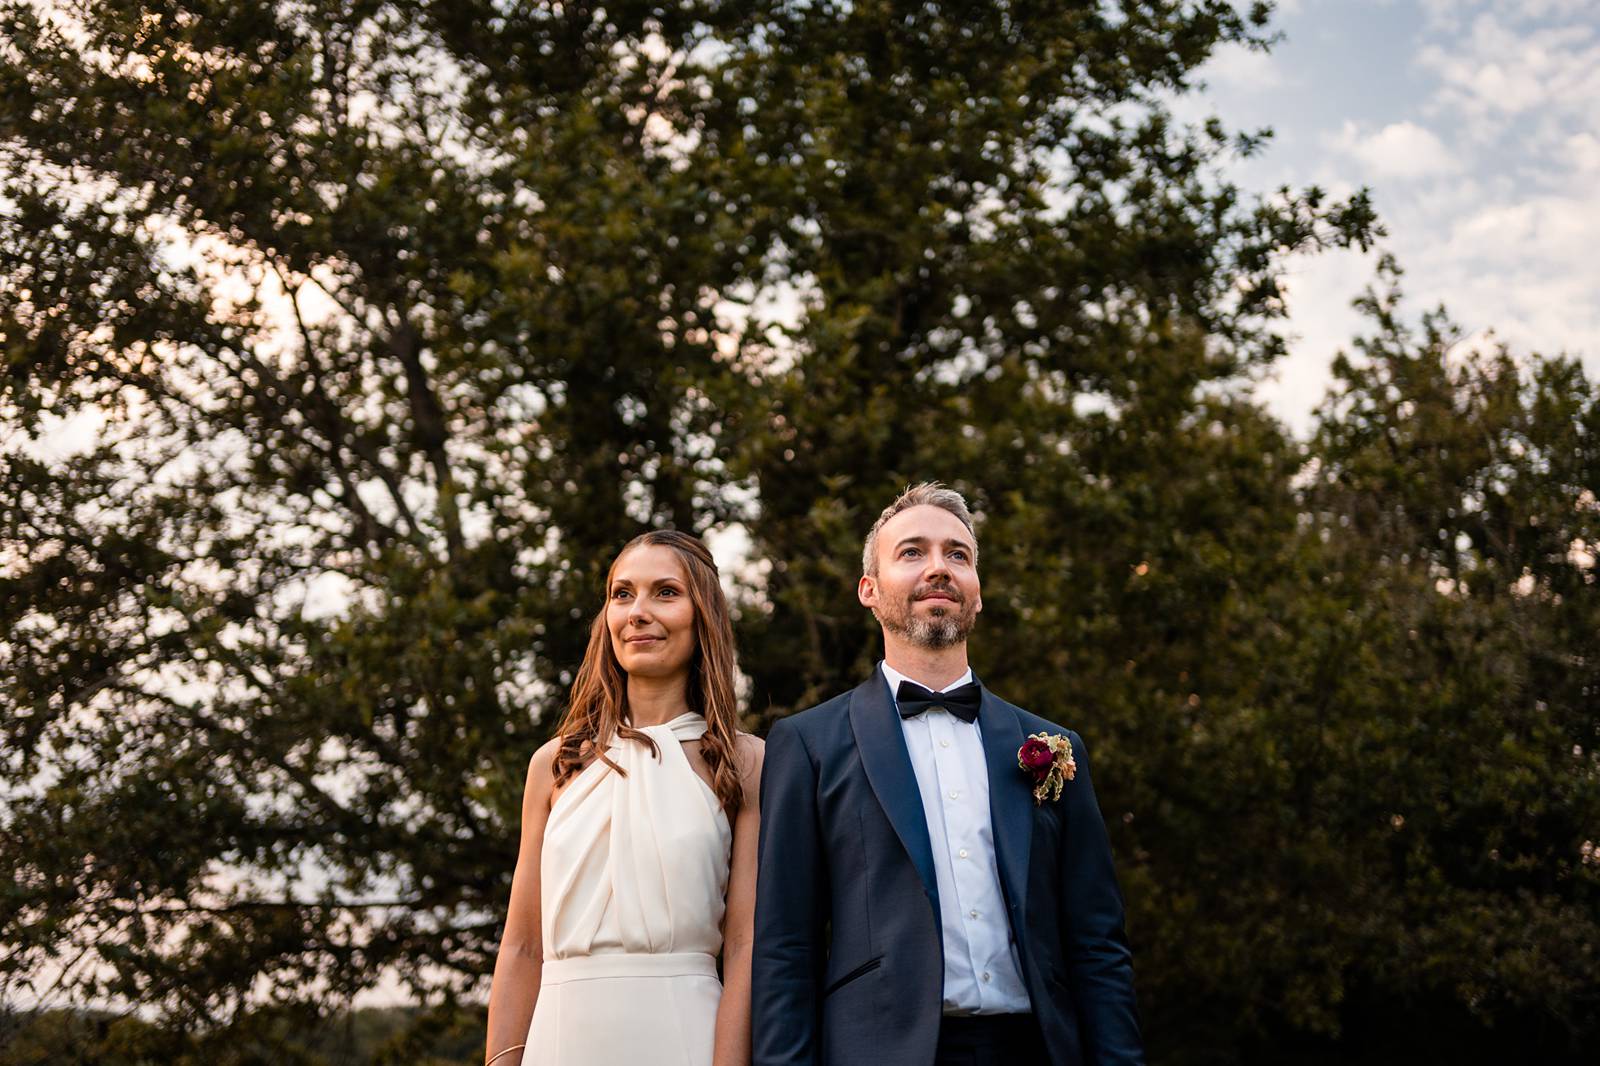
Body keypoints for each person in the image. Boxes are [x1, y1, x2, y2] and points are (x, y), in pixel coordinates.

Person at [752, 483, 1144, 1066]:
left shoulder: (1055, 747)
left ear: (978, 594)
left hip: (1036, 1049)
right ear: (870, 590)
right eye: (911, 553)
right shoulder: (807, 744)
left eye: (957, 555)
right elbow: (786, 947)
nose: (938, 568)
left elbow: (1097, 943)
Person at [486, 530, 764, 1066]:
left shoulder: (743, 763)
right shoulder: (553, 765)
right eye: (622, 594)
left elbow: (746, 946)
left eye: (665, 592)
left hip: (686, 1034)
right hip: (561, 1038)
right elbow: (522, 947)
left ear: (702, 613)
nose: (637, 612)